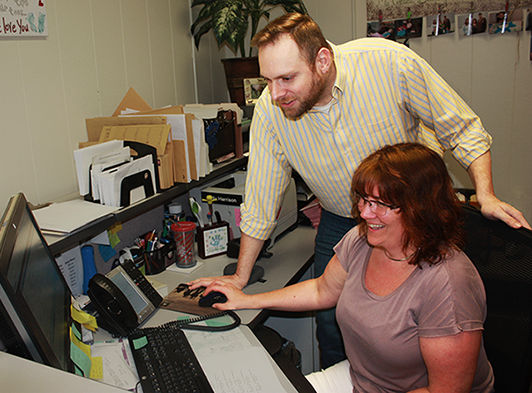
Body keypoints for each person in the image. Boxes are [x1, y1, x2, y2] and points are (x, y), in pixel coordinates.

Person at [190, 13, 530, 369]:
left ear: (322, 60)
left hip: (412, 217)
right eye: (268, 81)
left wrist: (486, 194)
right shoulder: (271, 111)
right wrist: (241, 276)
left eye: (287, 78)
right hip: (343, 220)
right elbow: (261, 197)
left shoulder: (388, 64)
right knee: (331, 323)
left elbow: (462, 130)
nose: (275, 94)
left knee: (423, 319)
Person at [205, 143, 495, 392]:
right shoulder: (362, 240)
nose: (365, 213)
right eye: (364, 199)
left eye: (379, 204)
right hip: (364, 381)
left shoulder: (447, 282)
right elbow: (322, 290)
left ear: (420, 208)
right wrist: (247, 301)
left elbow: (446, 390)